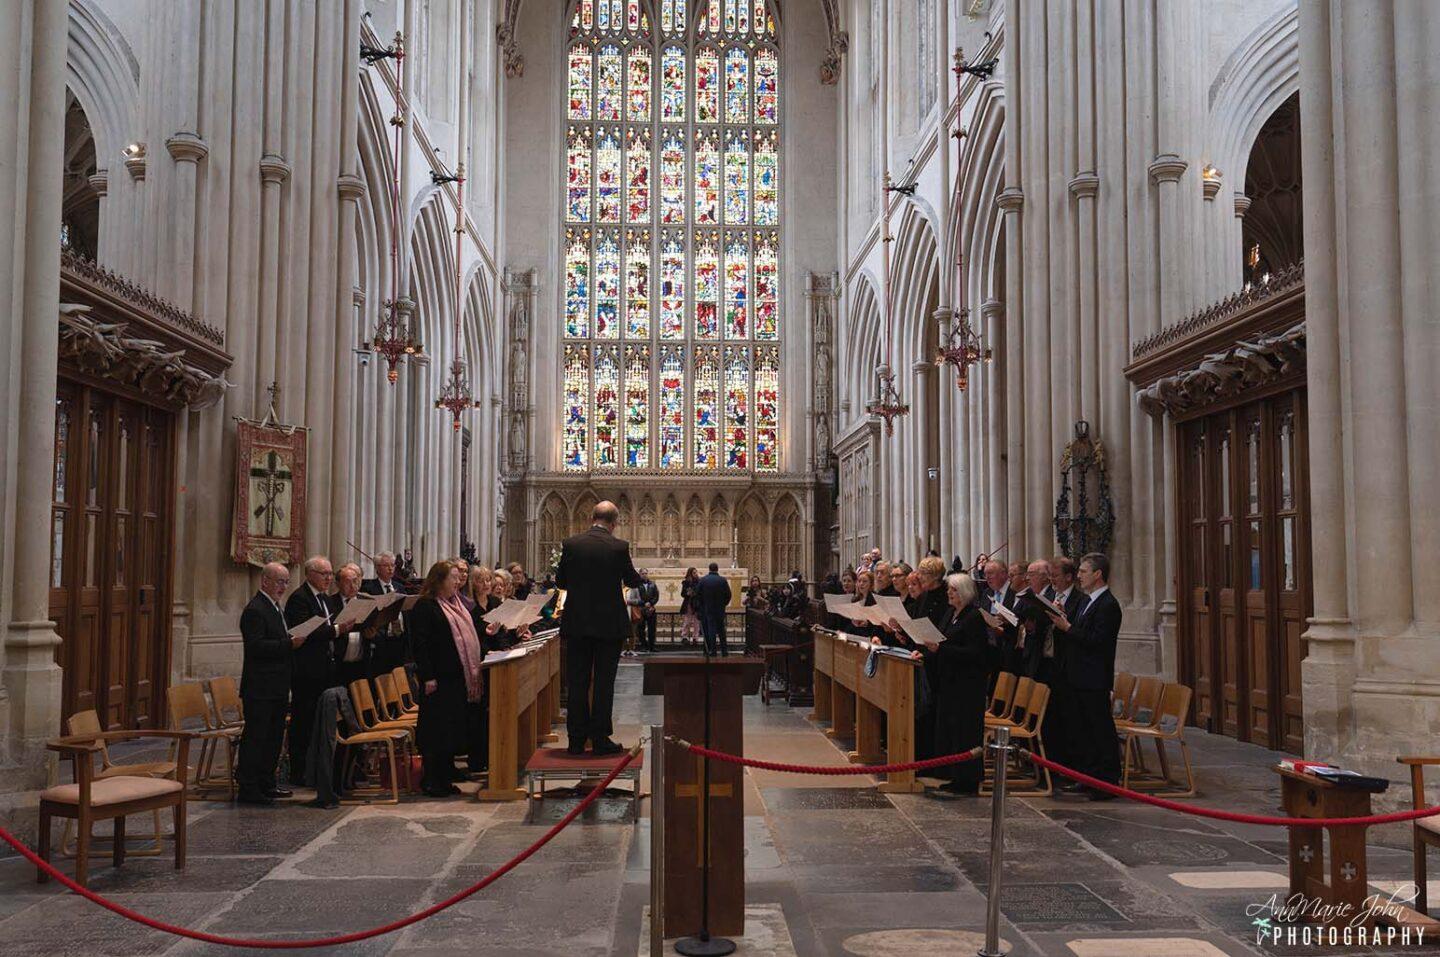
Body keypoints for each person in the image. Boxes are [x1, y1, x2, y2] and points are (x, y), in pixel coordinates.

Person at [556, 501, 644, 755]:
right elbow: (632, 580)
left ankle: (575, 740)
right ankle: (600, 738)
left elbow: (561, 581)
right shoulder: (619, 547)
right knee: (604, 683)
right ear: (614, 523)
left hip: (577, 623)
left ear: (591, 518)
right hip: (608, 625)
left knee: (577, 682)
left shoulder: (571, 545)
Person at [1046, 552, 1121, 799]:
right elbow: (1080, 632)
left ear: (1098, 574)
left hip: (1094, 677)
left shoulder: (1108, 604)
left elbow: (1098, 642)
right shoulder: (1088, 600)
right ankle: (1088, 777)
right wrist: (1063, 618)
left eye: (1084, 572)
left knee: (1100, 730)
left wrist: (1067, 627)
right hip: (1078, 675)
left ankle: (1107, 782)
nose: (1079, 576)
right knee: (1084, 730)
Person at [410, 560, 486, 796]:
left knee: (451, 731)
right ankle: (432, 781)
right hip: (437, 681)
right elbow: (419, 645)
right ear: (439, 580)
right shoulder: (426, 606)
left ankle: (445, 778)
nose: (457, 582)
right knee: (436, 733)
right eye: (452, 578)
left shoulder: (455, 605)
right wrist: (428, 676)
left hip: (455, 679)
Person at [924, 572, 990, 797]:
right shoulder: (951, 613)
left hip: (967, 686)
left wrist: (940, 650)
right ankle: (954, 776)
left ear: (964, 592)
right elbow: (941, 639)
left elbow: (976, 653)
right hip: (949, 682)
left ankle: (968, 780)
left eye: (953, 590)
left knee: (965, 732)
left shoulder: (973, 617)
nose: (949, 593)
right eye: (949, 589)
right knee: (951, 730)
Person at [236, 562, 298, 805]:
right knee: (256, 738)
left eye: (285, 582)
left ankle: (267, 782)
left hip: (277, 684)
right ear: (265, 581)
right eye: (279, 581)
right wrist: (289, 644)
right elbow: (256, 647)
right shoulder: (255, 609)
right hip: (260, 687)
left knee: (273, 738)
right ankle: (249, 787)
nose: (283, 586)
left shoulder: (274, 607)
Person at [284, 555, 342, 785]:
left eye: (330, 573)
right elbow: (302, 633)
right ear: (309, 574)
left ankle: (317, 768)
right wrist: (337, 630)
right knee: (304, 723)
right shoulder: (299, 599)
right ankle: (299, 772)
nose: (329, 578)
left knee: (321, 724)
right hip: (306, 673)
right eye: (324, 574)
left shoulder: (325, 599)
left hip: (325, 670)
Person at [361, 551, 409, 672]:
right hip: (381, 641)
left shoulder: (400, 587)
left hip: (400, 639)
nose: (390, 568)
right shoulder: (369, 588)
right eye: (386, 565)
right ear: (377, 568)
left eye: (393, 565)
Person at [334, 563, 378, 686]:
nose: (353, 586)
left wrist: (372, 634)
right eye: (348, 582)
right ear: (337, 584)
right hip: (339, 663)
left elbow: (376, 626)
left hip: (363, 663)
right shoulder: (331, 603)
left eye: (355, 581)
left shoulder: (367, 602)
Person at [696, 562, 733, 656]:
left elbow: (698, 595)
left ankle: (712, 650)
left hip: (707, 609)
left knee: (710, 629)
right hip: (719, 609)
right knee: (721, 629)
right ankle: (724, 651)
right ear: (717, 569)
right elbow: (728, 595)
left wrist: (701, 607)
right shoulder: (722, 580)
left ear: (709, 569)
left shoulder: (703, 580)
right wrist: (723, 604)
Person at [631, 569, 660, 653]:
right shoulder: (636, 585)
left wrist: (651, 603)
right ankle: (644, 646)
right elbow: (635, 597)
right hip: (641, 608)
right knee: (641, 629)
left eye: (646, 573)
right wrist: (644, 603)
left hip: (651, 609)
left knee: (652, 629)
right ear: (639, 574)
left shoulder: (653, 584)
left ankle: (652, 646)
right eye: (643, 573)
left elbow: (656, 596)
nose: (644, 575)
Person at [679, 567, 701, 646]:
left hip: (696, 603)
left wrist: (696, 594)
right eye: (694, 573)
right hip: (688, 603)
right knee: (687, 621)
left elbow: (701, 592)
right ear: (690, 573)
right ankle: (684, 637)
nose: (695, 574)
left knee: (696, 622)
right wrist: (687, 593)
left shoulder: (699, 581)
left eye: (696, 572)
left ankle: (695, 638)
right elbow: (682, 594)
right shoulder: (686, 582)